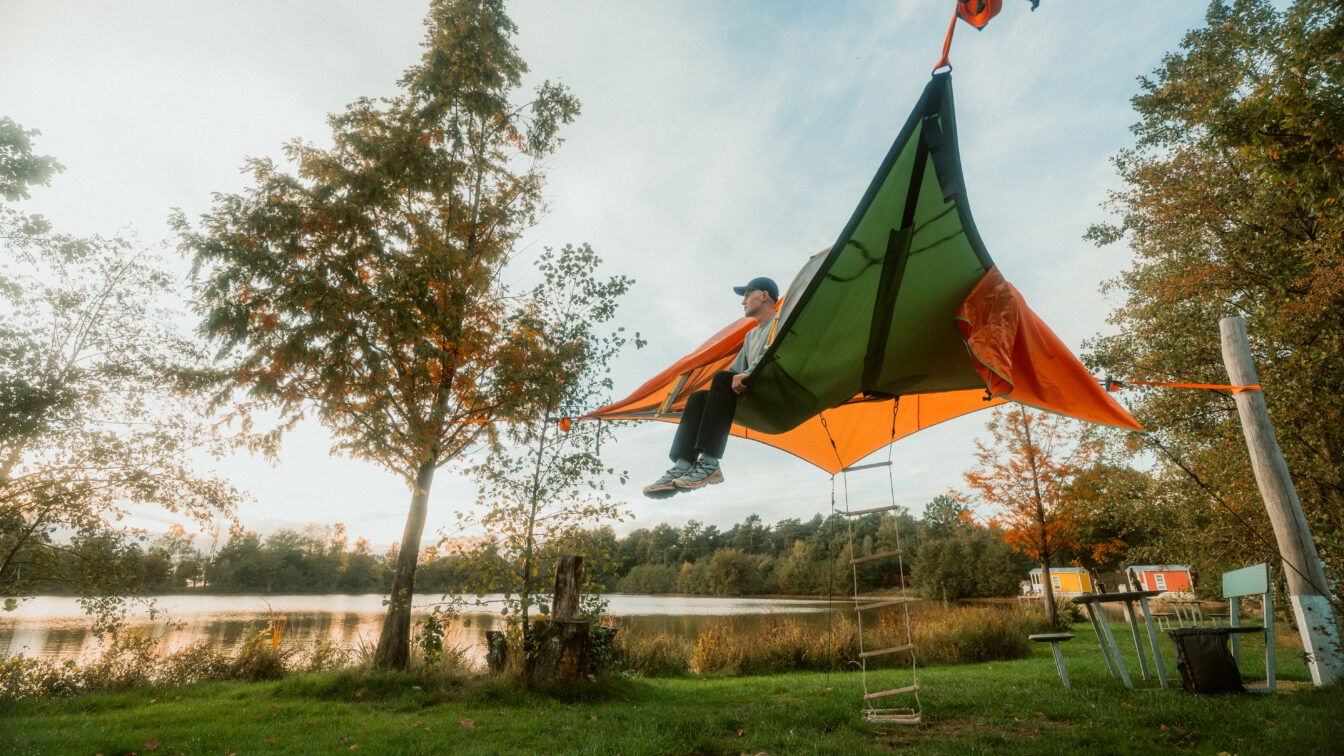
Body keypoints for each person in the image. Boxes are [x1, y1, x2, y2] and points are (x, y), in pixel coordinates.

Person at [642, 276, 778, 499]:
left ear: (764, 296)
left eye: (746, 295)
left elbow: (777, 351)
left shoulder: (781, 321)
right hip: (748, 395)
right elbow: (735, 372)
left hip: (774, 392)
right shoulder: (751, 335)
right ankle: (683, 464)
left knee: (723, 378)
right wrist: (738, 377)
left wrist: (749, 372)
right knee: (698, 398)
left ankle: (710, 462)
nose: (742, 302)